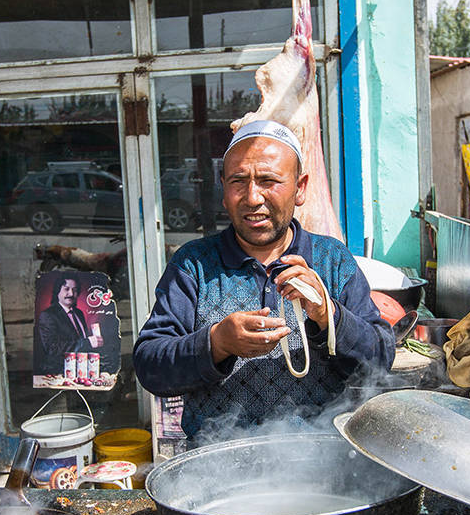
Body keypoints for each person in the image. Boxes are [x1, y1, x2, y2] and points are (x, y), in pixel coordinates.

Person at [133, 120, 393, 440]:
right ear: (223, 188)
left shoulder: (332, 259)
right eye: (238, 181)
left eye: (269, 180)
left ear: (300, 188)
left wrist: (328, 315)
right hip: (216, 468)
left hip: (321, 464)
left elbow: (380, 361)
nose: (253, 198)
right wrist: (217, 343)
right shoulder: (194, 264)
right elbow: (149, 365)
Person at [35, 275, 104, 376]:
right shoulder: (48, 315)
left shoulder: (79, 313)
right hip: (58, 373)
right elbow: (52, 348)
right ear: (57, 291)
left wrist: (95, 342)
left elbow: (82, 340)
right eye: (66, 289)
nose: (71, 293)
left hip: (82, 371)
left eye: (75, 290)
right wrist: (87, 342)